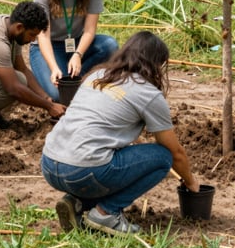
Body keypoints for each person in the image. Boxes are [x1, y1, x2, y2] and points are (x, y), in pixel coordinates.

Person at [41, 30, 199, 235]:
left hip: (49, 163)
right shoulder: (148, 93)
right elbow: (175, 152)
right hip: (82, 171)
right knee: (162, 158)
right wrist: (191, 182)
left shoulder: (98, 75)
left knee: (102, 157)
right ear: (155, 63)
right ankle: (106, 212)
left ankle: (78, 202)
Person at [30, 0, 118, 101]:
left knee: (110, 45)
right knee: (58, 95)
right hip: (51, 45)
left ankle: (76, 78)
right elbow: (43, 36)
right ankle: (57, 76)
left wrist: (78, 54)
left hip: (77, 43)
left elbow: (90, 30)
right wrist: (53, 67)